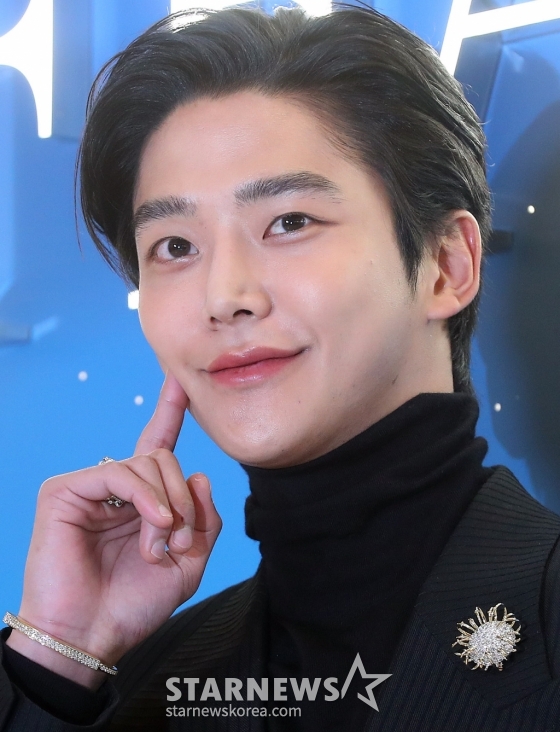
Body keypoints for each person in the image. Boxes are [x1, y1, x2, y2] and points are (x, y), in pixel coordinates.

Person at [1, 4, 559, 730]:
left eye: (290, 222)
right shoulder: (144, 682)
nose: (224, 296)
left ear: (446, 265)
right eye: (175, 246)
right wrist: (55, 660)